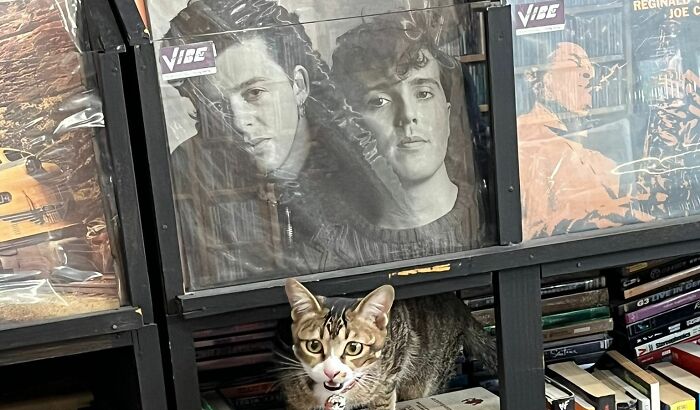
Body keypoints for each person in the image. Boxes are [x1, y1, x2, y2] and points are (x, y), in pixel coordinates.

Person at [164, 0, 400, 287]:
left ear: (298, 85)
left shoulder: (367, 164)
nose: (239, 122)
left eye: (254, 93)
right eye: (216, 105)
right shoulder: (188, 174)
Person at [330, 10, 484, 263]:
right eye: (379, 100)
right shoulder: (335, 253)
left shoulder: (493, 220)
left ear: (447, 114)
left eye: (423, 93)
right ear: (353, 125)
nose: (407, 116)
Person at [517, 40, 653, 238]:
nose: (590, 74)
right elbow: (531, 230)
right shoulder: (527, 137)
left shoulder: (595, 152)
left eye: (590, 68)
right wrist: (592, 222)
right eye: (574, 64)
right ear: (542, 83)